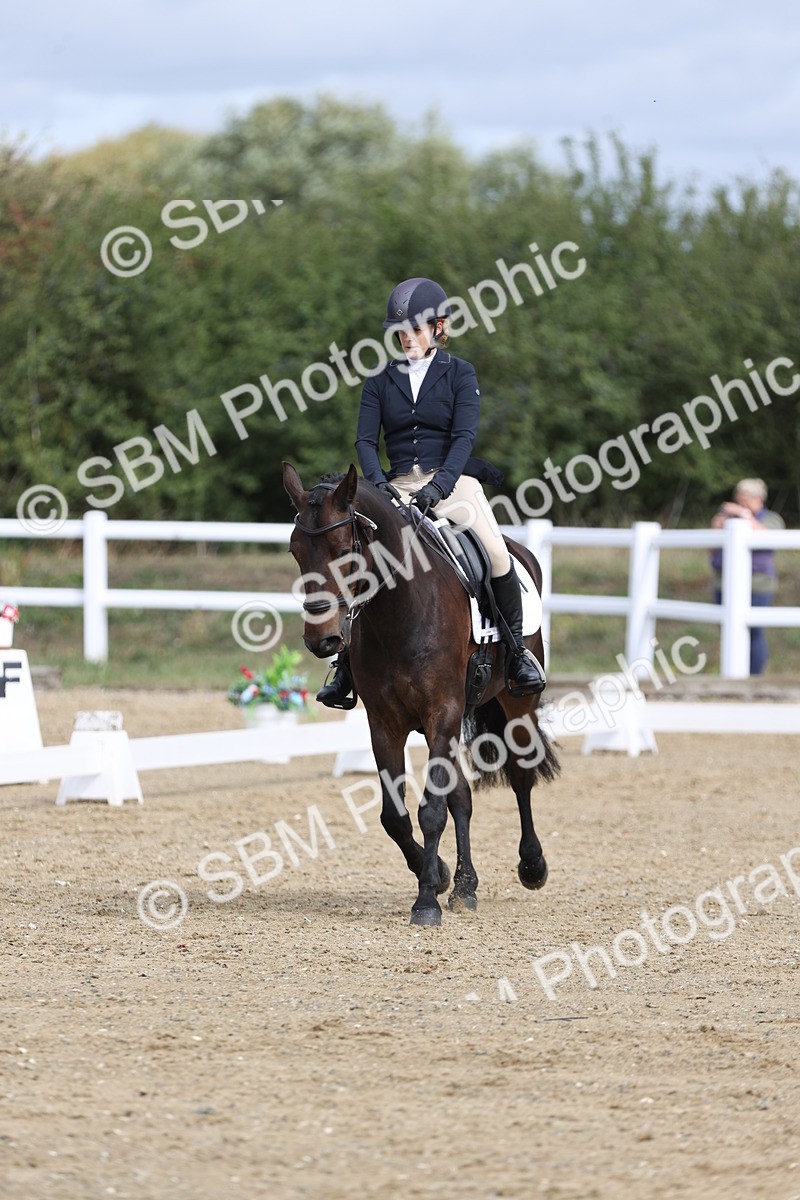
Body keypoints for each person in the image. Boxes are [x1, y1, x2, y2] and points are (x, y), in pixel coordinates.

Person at [316, 275, 546, 708]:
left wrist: (440, 486)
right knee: (364, 559)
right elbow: (365, 441)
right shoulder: (380, 380)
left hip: (453, 482)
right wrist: (380, 485)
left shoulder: (460, 373)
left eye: (415, 329)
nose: (406, 338)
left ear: (439, 327)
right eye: (399, 331)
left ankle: (517, 654)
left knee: (497, 554)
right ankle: (345, 666)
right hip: (396, 485)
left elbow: (464, 438)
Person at [710, 478, 785, 676]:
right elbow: (711, 550)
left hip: (757, 586)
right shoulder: (729, 520)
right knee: (729, 632)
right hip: (724, 583)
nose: (741, 504)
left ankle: (754, 676)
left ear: (758, 499)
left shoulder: (770, 518)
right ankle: (733, 674)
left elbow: (769, 538)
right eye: (739, 500)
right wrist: (717, 527)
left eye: (745, 500)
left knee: (754, 633)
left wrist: (744, 516)